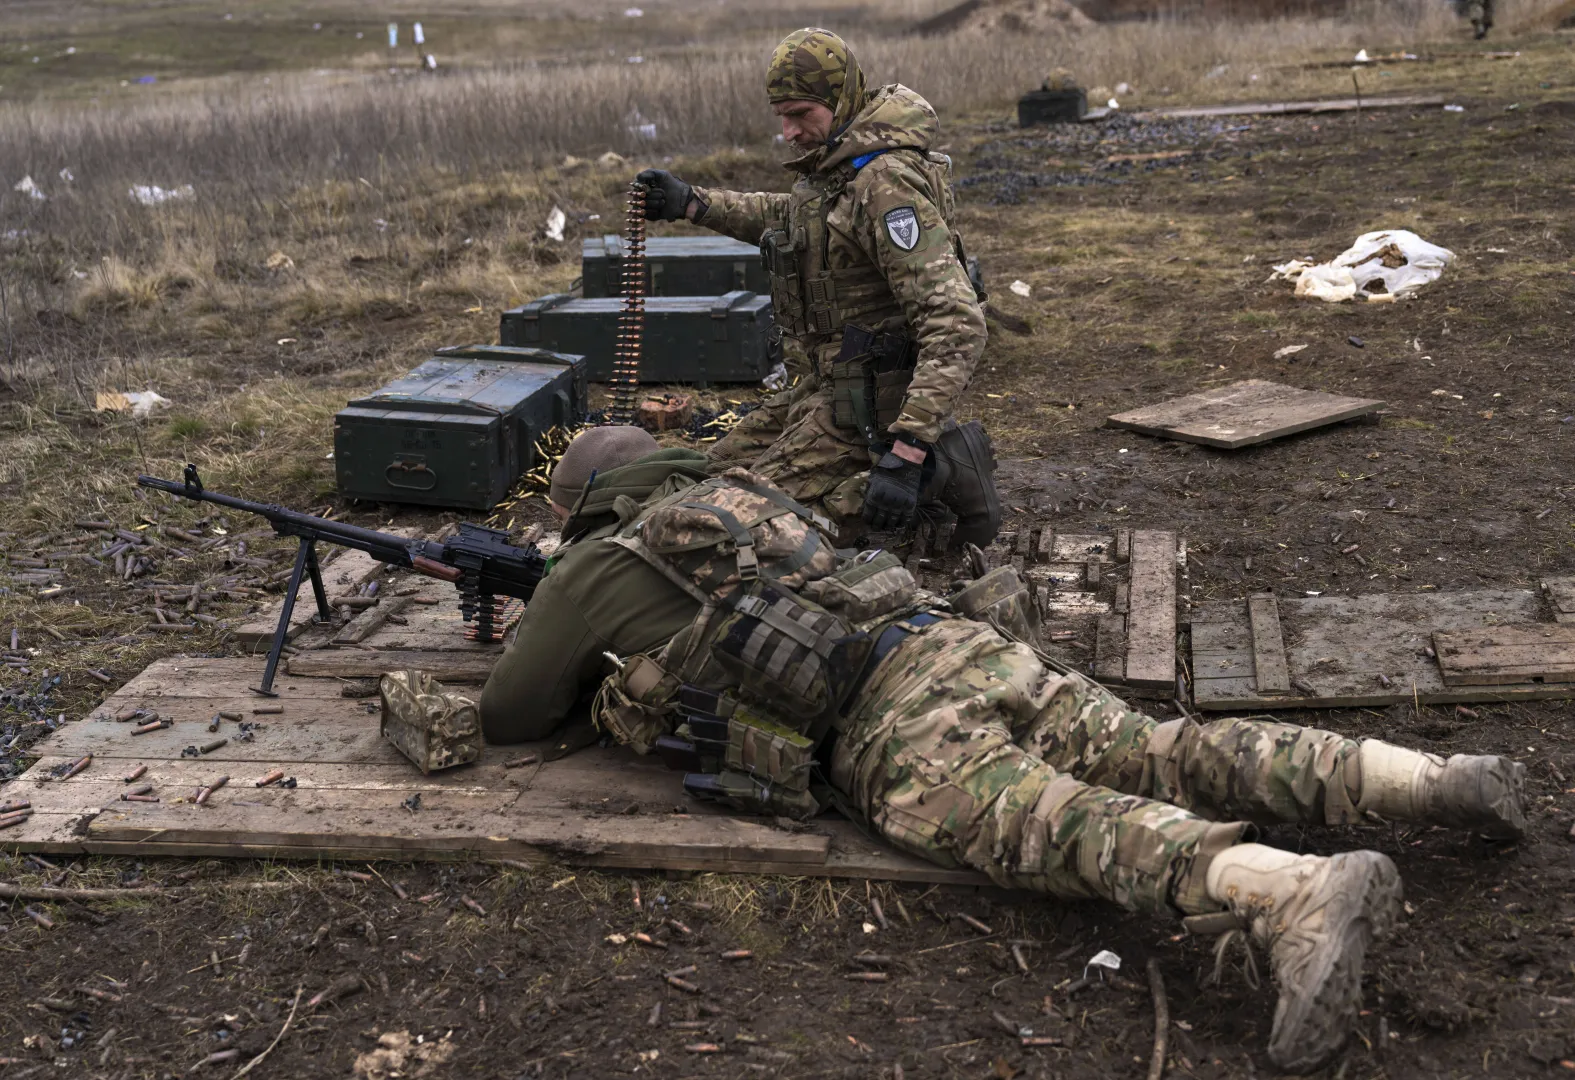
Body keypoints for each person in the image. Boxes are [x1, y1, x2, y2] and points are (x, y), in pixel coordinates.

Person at [482, 428, 1529, 1073]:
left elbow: (511, 713)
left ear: (583, 510)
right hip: (962, 641)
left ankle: (1291, 895)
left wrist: (543, 606)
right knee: (1169, 749)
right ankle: (1430, 781)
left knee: (1064, 825)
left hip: (891, 723)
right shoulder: (743, 495)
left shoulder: (593, 565)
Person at [633, 27, 997, 544]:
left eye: (802, 114)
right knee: (700, 477)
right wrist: (694, 202)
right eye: (782, 115)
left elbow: (957, 321)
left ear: (840, 98)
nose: (788, 131)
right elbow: (795, 218)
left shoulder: (883, 183)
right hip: (824, 391)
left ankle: (936, 475)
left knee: (720, 526)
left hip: (871, 414)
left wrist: (908, 449)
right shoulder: (839, 166)